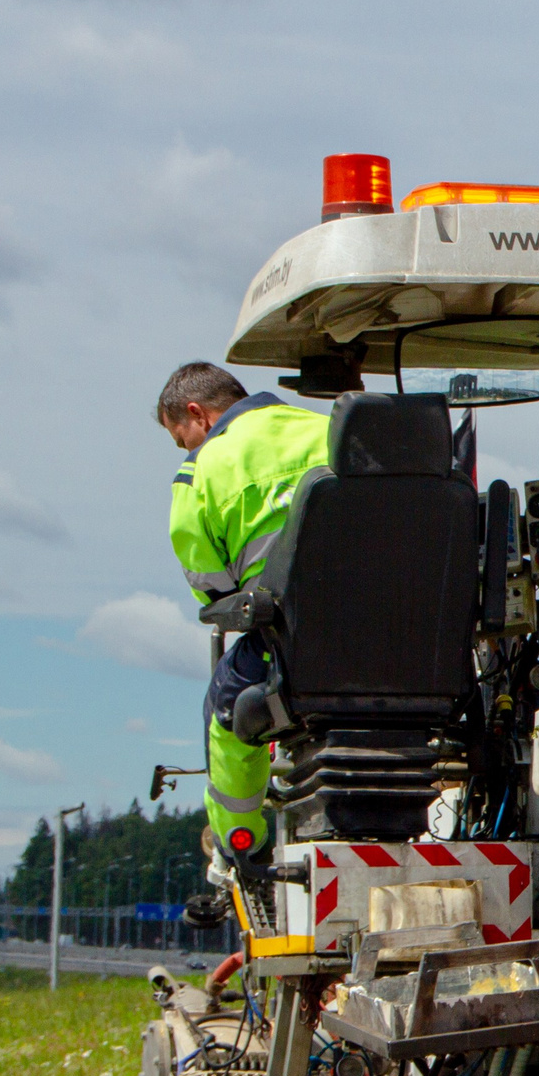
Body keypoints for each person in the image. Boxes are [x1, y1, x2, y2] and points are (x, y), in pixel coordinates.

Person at [155, 361, 328, 859]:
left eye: (182, 437)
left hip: (295, 651)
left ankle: (238, 843)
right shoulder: (332, 431)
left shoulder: (200, 471)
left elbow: (213, 592)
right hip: (410, 638)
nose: (188, 449)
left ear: (198, 414)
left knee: (227, 710)